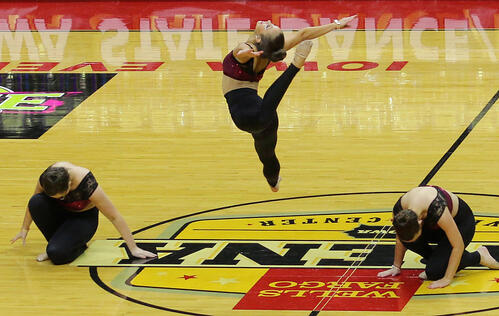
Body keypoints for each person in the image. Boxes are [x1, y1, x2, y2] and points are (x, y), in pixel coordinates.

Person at [223, 16, 356, 191]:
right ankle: (273, 182)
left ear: (258, 39)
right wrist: (336, 25)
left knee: (266, 151)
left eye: (269, 26)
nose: (266, 21)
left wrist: (245, 54)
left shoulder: (249, 48)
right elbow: (303, 34)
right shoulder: (268, 51)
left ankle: (295, 65)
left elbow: (240, 51)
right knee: (268, 155)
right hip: (265, 115)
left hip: (247, 116)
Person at [10, 162, 156, 264]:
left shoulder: (85, 182)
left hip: (83, 219)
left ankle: (73, 246)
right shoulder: (46, 178)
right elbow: (33, 203)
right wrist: (24, 228)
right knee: (37, 202)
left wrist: (133, 248)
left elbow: (114, 216)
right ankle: (59, 242)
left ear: (69, 184)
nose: (61, 199)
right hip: (61, 214)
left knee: (57, 255)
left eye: (62, 195)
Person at [378, 185, 499, 289]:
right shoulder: (400, 210)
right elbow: (401, 237)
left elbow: (458, 245)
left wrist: (447, 278)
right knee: (409, 242)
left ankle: (479, 256)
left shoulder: (437, 207)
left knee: (434, 272)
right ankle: (439, 259)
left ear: (420, 223)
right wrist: (396, 267)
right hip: (435, 227)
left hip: (461, 224)